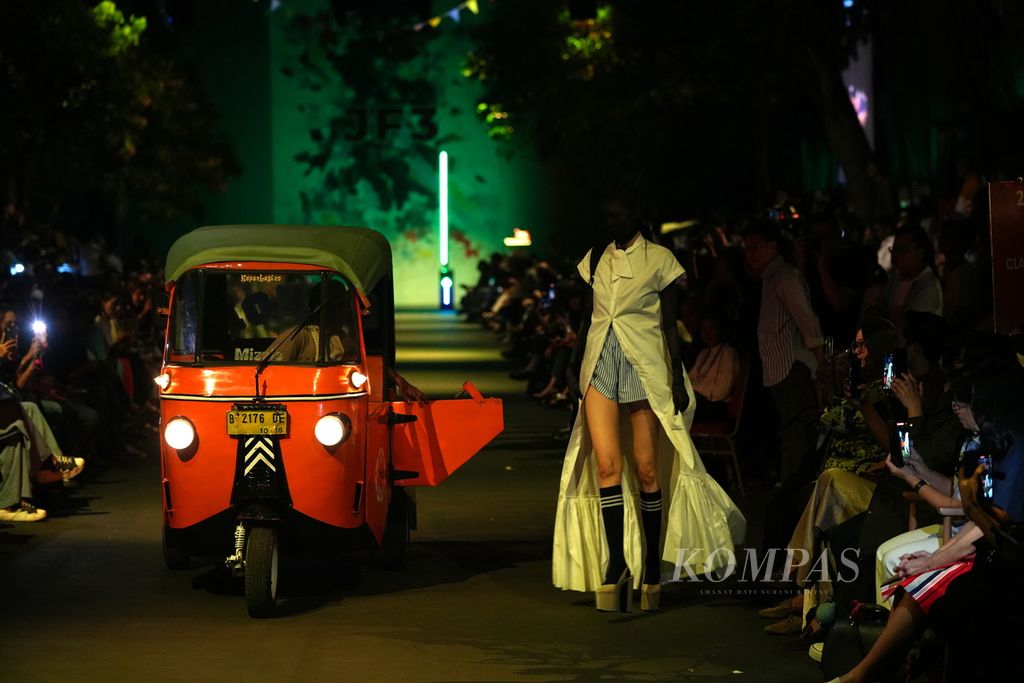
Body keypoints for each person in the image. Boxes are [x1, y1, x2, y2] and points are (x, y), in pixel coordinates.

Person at [552, 193, 745, 612]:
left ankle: (653, 570)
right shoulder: (596, 258)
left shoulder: (660, 260)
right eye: (605, 215)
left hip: (645, 366)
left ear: (635, 216)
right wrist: (572, 366)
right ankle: (617, 564)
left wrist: (676, 378)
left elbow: (670, 327)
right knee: (606, 464)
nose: (609, 221)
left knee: (646, 467)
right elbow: (589, 316)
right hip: (600, 361)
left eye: (616, 214)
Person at [743, 219, 825, 485]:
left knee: (797, 435)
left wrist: (822, 363)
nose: (750, 255)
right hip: (780, 371)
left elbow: (807, 321)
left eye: (755, 248)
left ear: (772, 247)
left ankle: (797, 493)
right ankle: (794, 493)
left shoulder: (784, 277)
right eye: (747, 249)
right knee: (791, 433)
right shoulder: (771, 279)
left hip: (792, 369)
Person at [688, 315, 740, 422]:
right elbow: (689, 381)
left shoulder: (728, 353)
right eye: (704, 329)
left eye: (712, 328)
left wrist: (697, 389)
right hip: (699, 402)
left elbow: (721, 391)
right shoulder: (703, 353)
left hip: (717, 407)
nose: (708, 333)